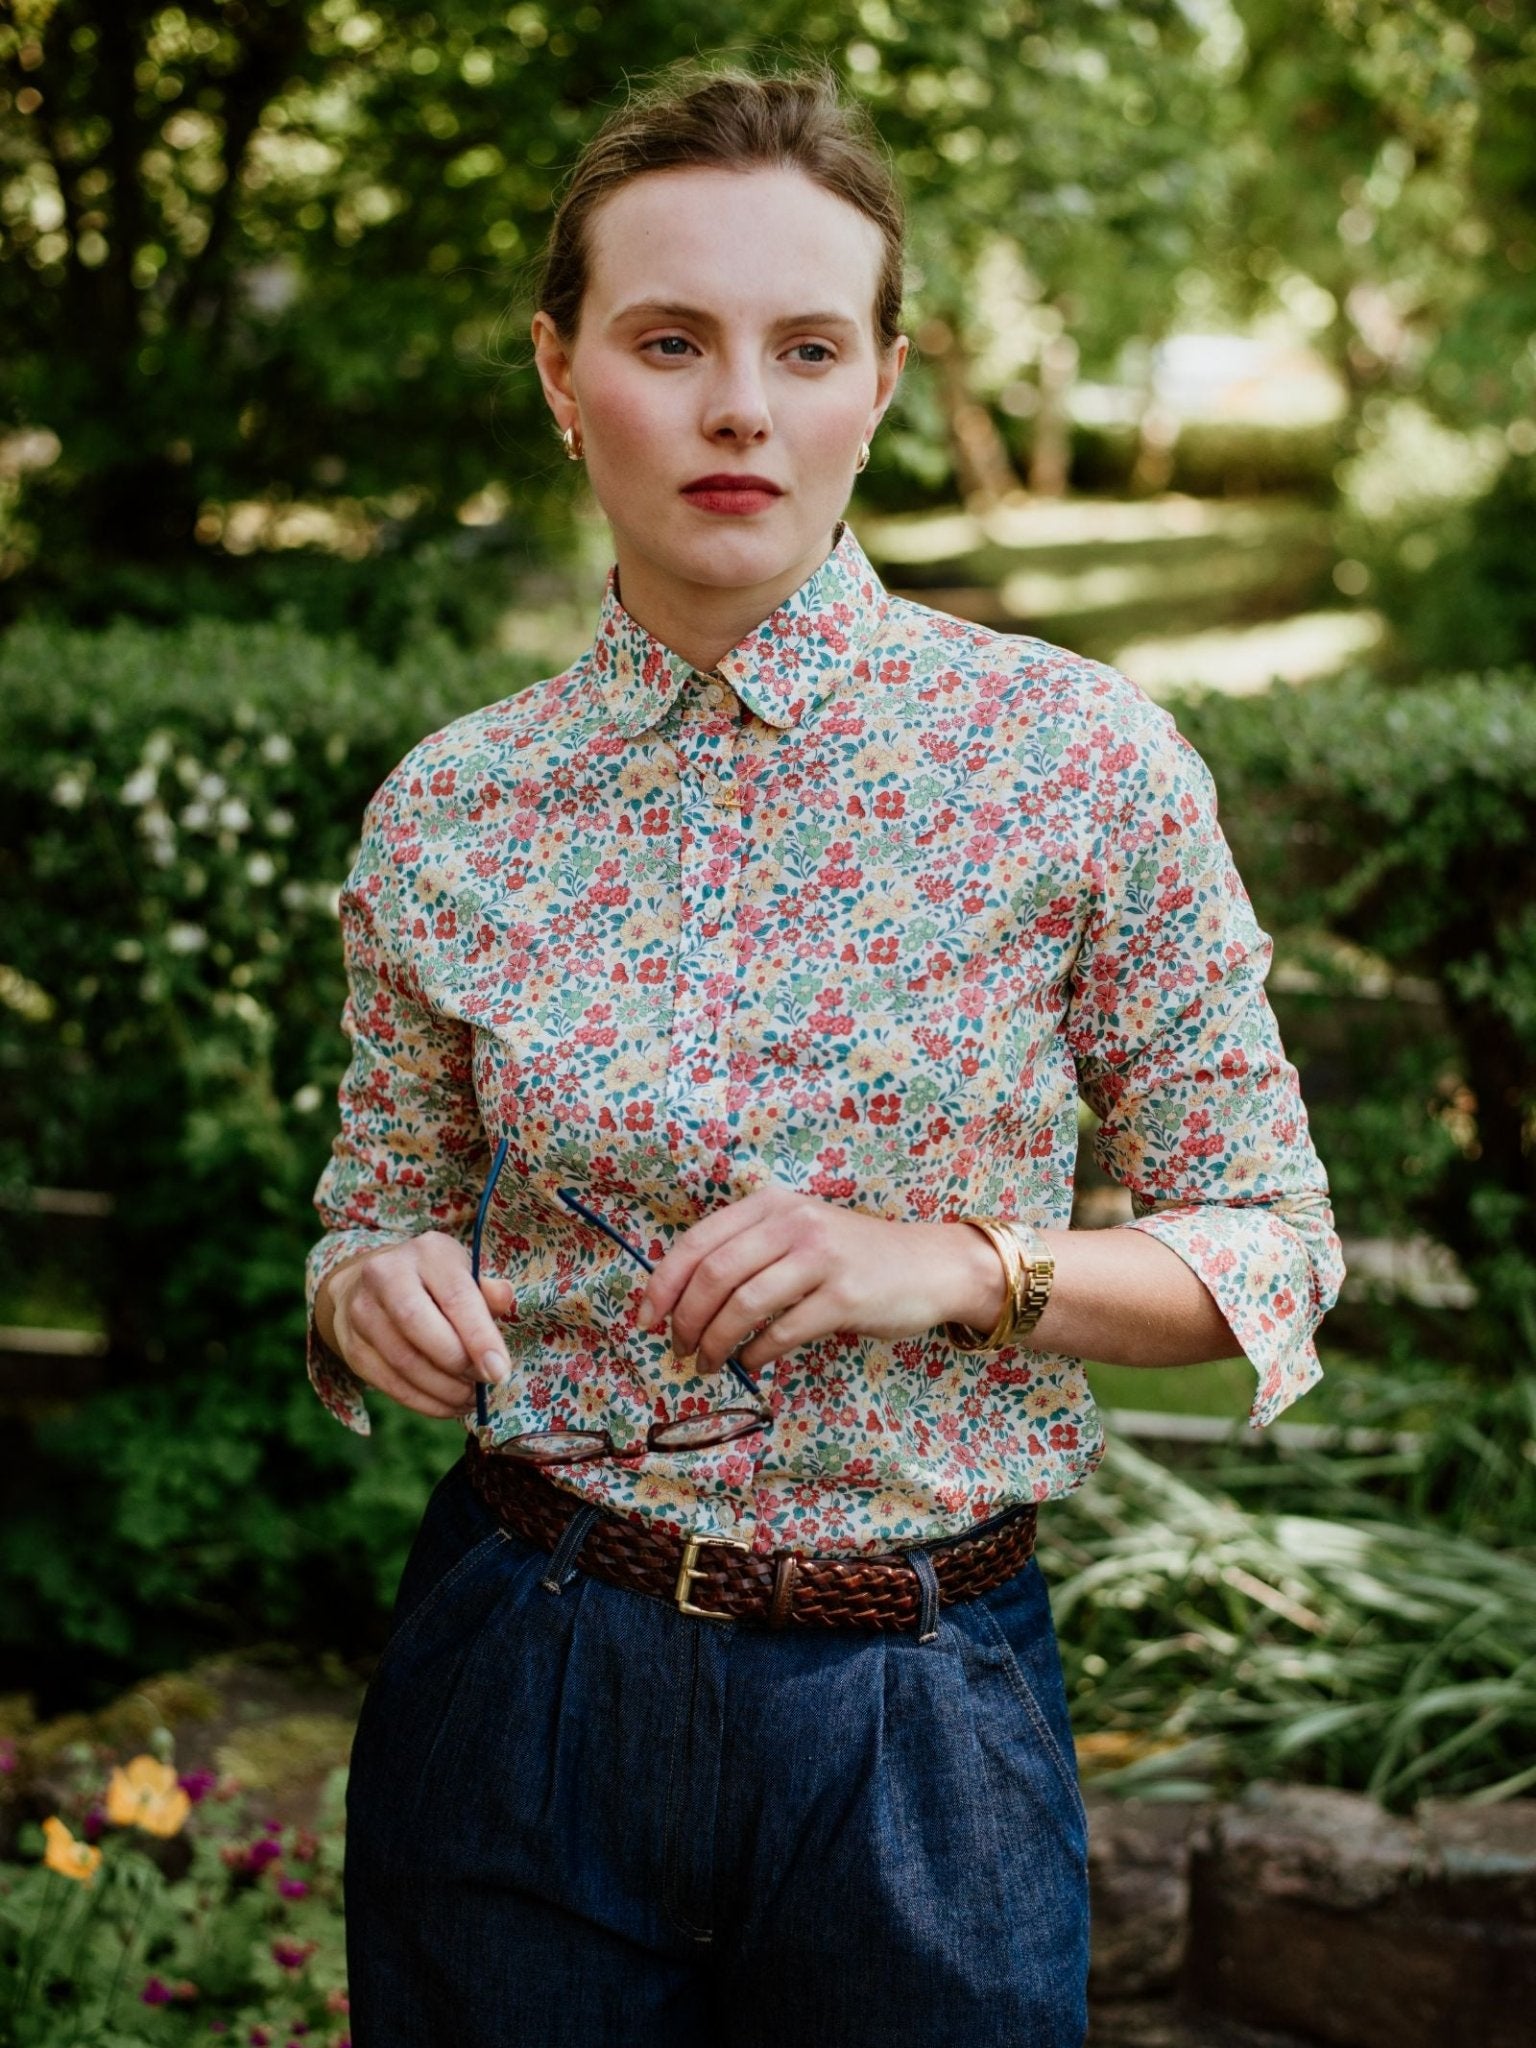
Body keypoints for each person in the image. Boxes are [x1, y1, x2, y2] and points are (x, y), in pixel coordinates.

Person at [304, 61, 1345, 2048]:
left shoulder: (1081, 762)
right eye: (669, 339)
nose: (736, 409)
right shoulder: (450, 809)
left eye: (803, 345)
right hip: (516, 1678)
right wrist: (372, 1289)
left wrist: (960, 1266)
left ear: (880, 376)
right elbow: (379, 1205)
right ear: (560, 367)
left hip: (923, 1720)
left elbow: (1271, 1248)